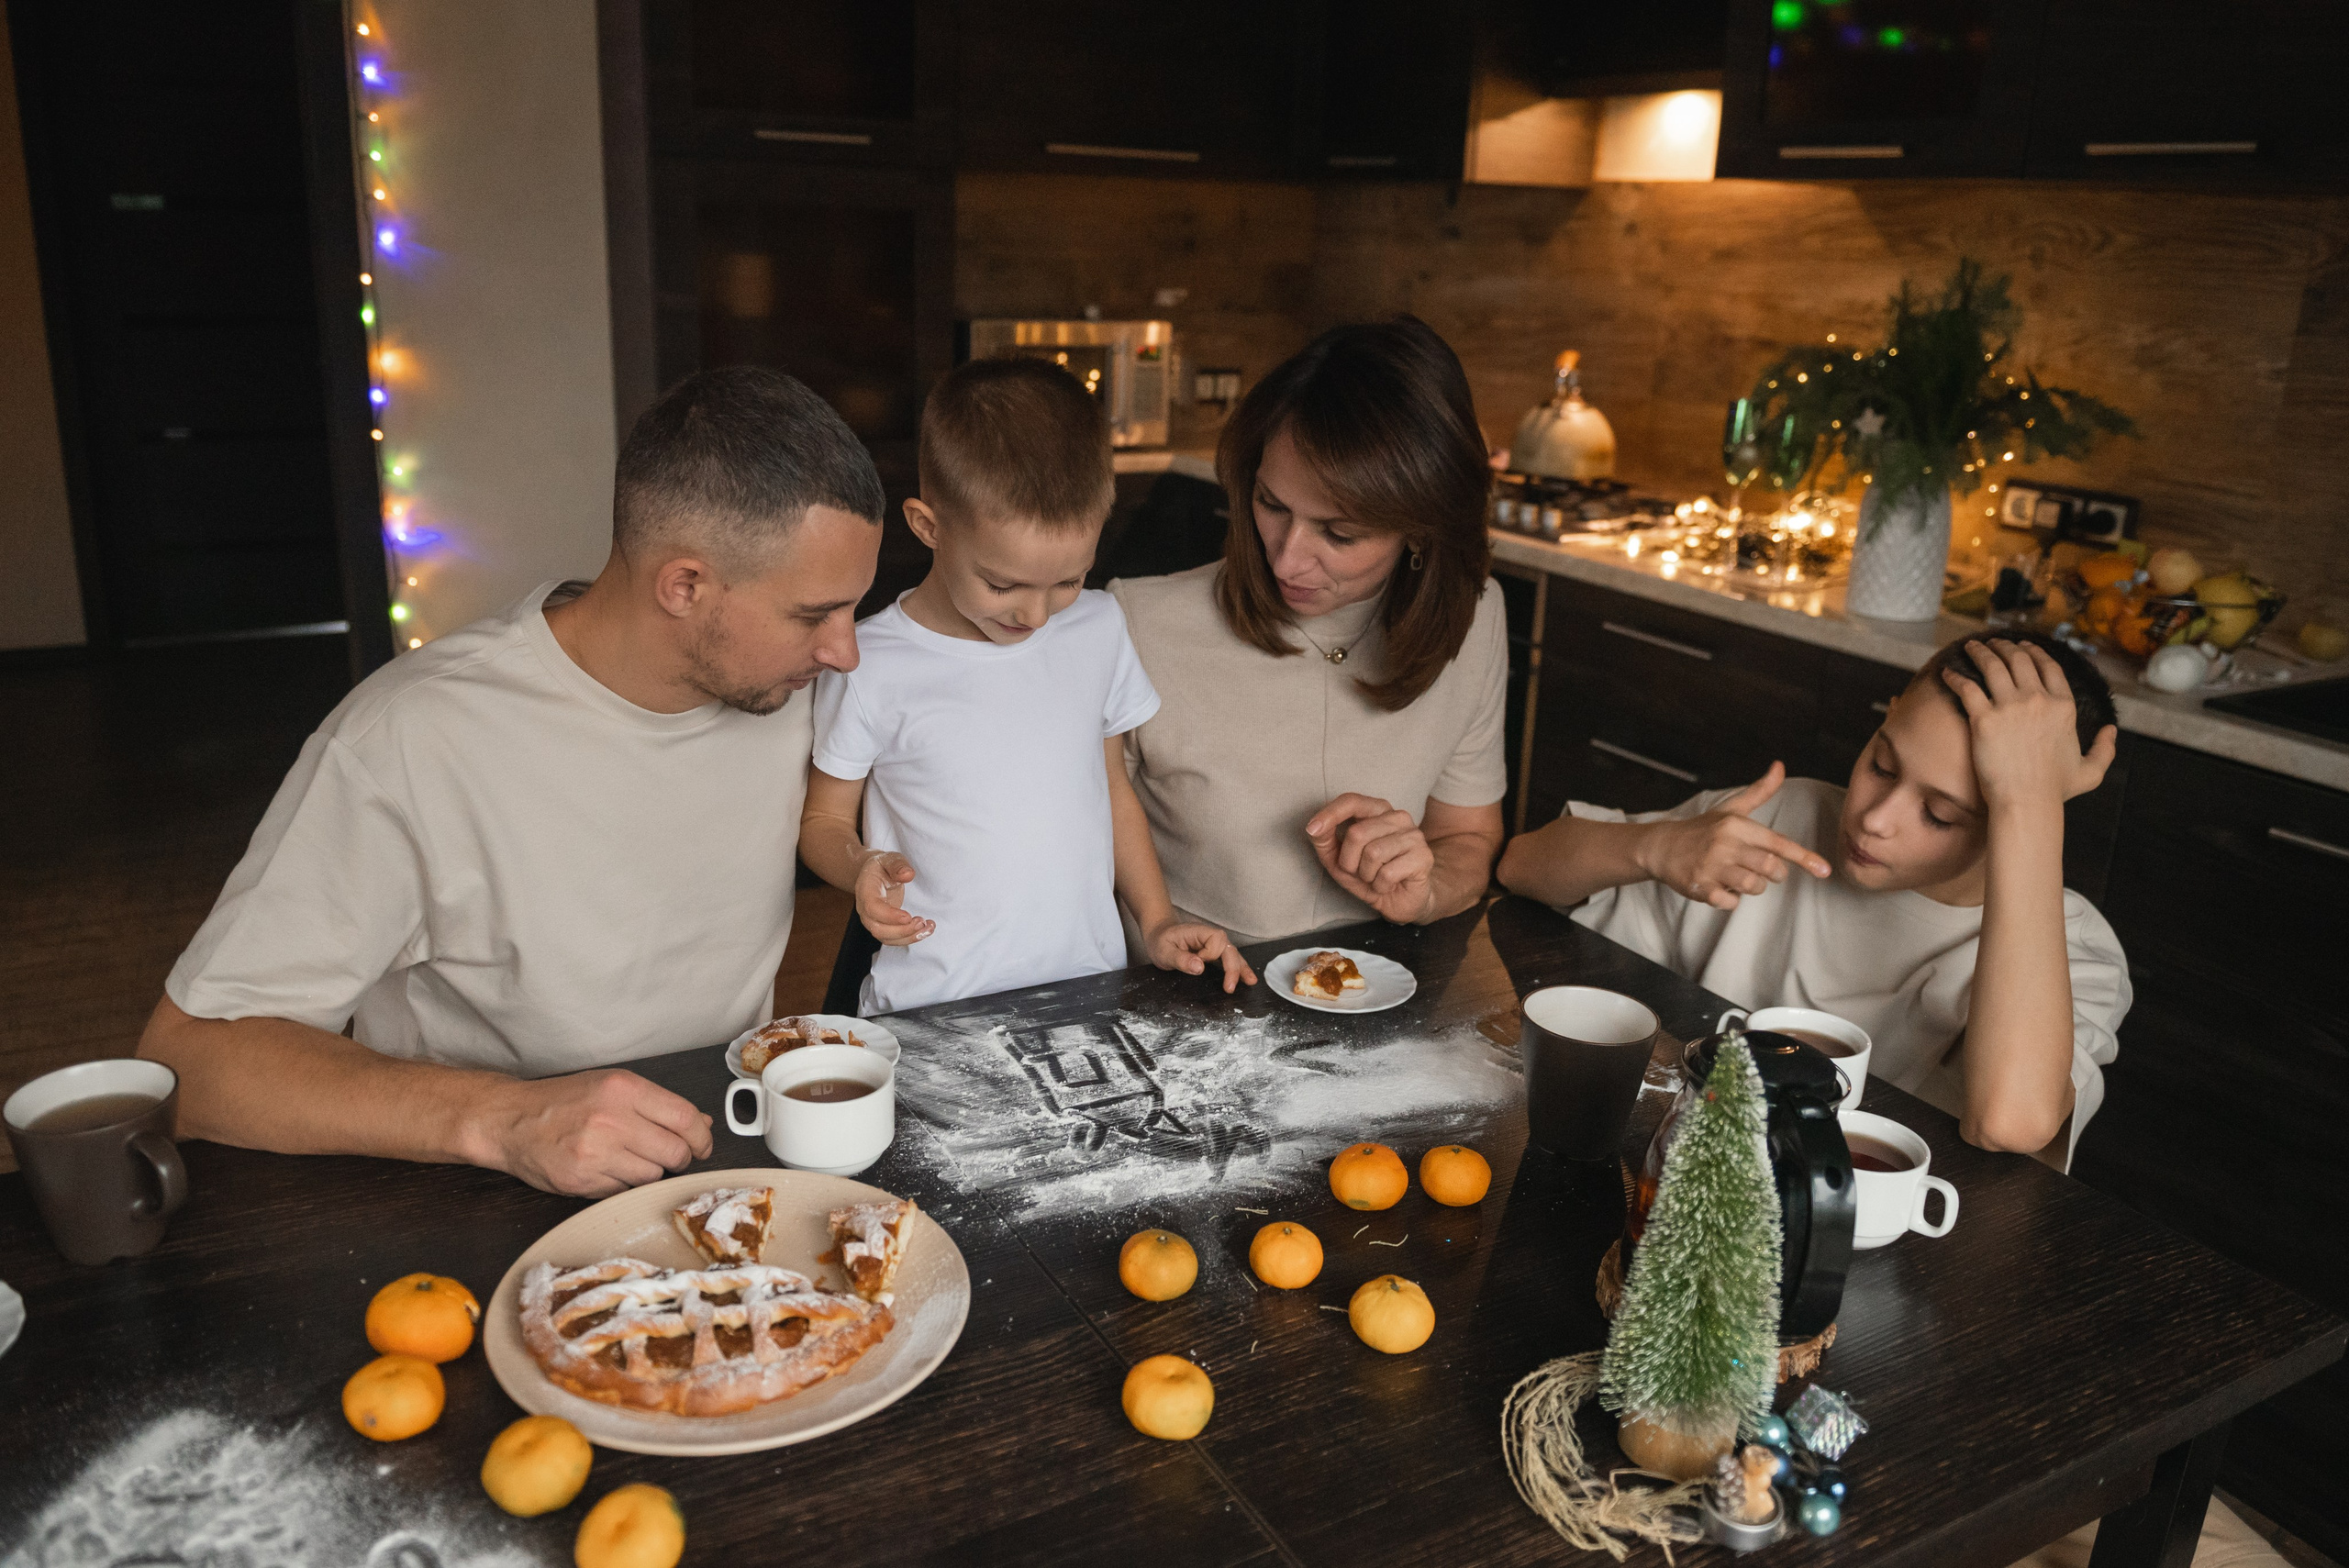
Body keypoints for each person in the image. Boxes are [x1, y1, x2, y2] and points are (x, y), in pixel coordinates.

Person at [138, 368, 882, 1196]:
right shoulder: (409, 740)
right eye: (814, 614)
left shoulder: (793, 691)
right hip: (478, 1197)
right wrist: (505, 1118)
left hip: (721, 1165)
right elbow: (188, 1059)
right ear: (685, 585)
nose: (845, 652)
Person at [1497, 632, 2130, 1166]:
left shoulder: (2076, 951)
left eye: (1940, 813)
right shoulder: (1785, 811)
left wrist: (2031, 803)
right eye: (1882, 763)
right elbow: (1523, 865)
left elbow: (2010, 1121)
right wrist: (1654, 846)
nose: (1876, 818)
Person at [797, 356, 1252, 1014]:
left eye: (1068, 580)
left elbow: (1113, 787)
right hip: (936, 1007)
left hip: (1088, 990)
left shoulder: (1097, 627)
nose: (1036, 616)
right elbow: (822, 819)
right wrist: (859, 865)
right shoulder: (871, 660)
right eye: (1003, 584)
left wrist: (1155, 921)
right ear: (929, 527)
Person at [1108, 318, 1508, 951]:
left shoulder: (1474, 617)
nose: (1287, 560)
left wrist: (1424, 891)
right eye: (1271, 504)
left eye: (1339, 534)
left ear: (1423, 526)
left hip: (1380, 994)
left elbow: (1468, 837)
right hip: (1187, 1003)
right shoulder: (1138, 623)